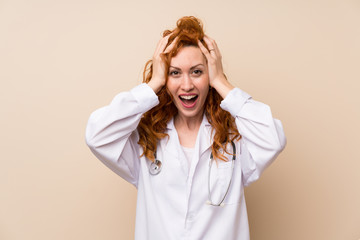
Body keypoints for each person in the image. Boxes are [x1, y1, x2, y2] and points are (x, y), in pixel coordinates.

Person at [86, 16, 286, 240]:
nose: (187, 85)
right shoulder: (146, 142)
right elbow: (97, 135)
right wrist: (153, 84)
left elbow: (273, 139)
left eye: (197, 72)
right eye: (175, 73)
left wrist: (220, 81)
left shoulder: (235, 142)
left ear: (208, 76)